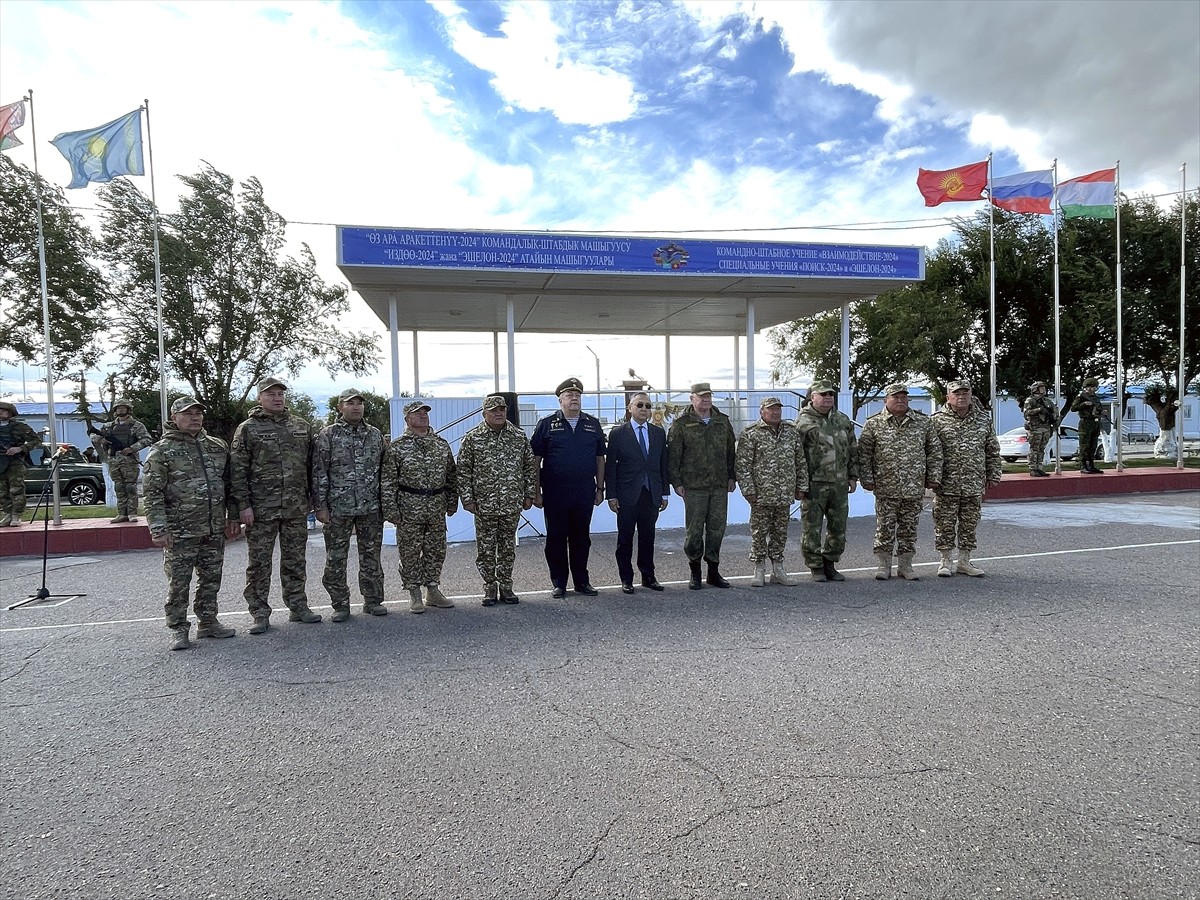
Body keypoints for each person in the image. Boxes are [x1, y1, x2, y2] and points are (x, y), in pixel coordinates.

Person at [142, 397, 241, 650]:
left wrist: (233, 517)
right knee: (179, 582)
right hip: (180, 530)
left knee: (211, 578)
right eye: (187, 414)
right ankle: (177, 628)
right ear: (174, 418)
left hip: (213, 527)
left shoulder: (216, 446)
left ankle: (208, 622)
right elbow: (152, 493)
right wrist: (159, 528)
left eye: (198, 413)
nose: (194, 418)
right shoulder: (162, 450)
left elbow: (230, 485)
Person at [230, 375, 321, 633]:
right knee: (259, 564)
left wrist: (313, 498)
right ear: (260, 397)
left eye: (280, 393)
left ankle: (297, 605)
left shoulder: (301, 426)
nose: (277, 398)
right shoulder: (248, 429)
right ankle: (259, 612)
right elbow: (238, 470)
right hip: (261, 509)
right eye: (271, 394)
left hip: (295, 506)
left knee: (295, 560)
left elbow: (312, 466)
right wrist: (243, 506)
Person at [313, 388, 388, 622]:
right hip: (338, 508)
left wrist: (386, 504)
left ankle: (373, 600)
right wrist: (320, 506)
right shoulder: (328, 435)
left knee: (371, 556)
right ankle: (340, 604)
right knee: (336, 559)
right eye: (350, 403)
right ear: (340, 407)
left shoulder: (374, 435)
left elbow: (385, 471)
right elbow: (319, 471)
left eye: (359, 403)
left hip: (370, 507)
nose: (356, 407)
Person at [457, 394, 536, 606]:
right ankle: (490, 586)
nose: (499, 413)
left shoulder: (518, 436)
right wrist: (468, 499)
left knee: (507, 548)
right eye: (493, 410)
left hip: (511, 503)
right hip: (484, 505)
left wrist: (529, 494)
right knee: (485, 549)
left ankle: (506, 586)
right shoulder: (473, 438)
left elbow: (529, 467)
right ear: (484, 413)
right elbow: (463, 471)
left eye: (502, 409)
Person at [381, 399, 459, 614]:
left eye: (425, 412)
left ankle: (433, 590)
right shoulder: (397, 446)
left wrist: (452, 501)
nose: (423, 415)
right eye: (417, 413)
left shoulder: (441, 444)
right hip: (409, 507)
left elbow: (451, 476)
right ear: (407, 419)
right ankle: (414, 592)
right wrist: (391, 510)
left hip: (436, 506)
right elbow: (388, 481)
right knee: (410, 551)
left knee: (436, 550)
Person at [531, 377, 607, 598]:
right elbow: (535, 460)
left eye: (577, 395)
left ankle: (582, 582)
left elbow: (600, 458)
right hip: (555, 491)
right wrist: (536, 492)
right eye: (569, 395)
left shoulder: (592, 424)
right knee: (555, 538)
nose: (574, 398)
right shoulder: (547, 424)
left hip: (583, 490)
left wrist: (600, 488)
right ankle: (559, 582)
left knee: (581, 538)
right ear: (560, 400)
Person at [858, 383, 942, 581]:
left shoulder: (922, 422)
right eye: (895, 397)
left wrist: (934, 476)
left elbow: (934, 450)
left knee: (909, 529)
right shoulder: (874, 423)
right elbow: (864, 454)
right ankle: (883, 565)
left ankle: (906, 565)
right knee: (884, 528)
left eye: (904, 397)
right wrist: (867, 479)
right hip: (885, 486)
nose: (900, 400)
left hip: (913, 487)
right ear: (885, 400)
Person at [930, 378, 1003, 577]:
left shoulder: (983, 420)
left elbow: (992, 450)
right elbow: (929, 451)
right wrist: (930, 477)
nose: (961, 397)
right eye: (956, 393)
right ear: (948, 397)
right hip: (946, 483)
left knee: (969, 524)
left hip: (973, 482)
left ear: (971, 396)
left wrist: (994, 474)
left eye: (965, 393)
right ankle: (945, 560)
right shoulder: (936, 420)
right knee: (944, 523)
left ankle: (964, 561)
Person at [668, 382, 736, 590]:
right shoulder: (681, 424)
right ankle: (695, 571)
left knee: (717, 529)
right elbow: (673, 456)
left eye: (708, 396)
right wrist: (677, 482)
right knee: (694, 531)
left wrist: (732, 476)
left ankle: (713, 571)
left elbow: (730, 452)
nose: (706, 400)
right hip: (694, 487)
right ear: (692, 399)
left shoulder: (722, 421)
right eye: (701, 397)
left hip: (718, 485)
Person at [735, 396, 806, 587]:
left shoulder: (791, 432)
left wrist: (801, 486)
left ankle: (778, 569)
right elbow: (743, 465)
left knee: (780, 533)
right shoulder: (751, 433)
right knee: (759, 533)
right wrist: (748, 490)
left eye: (778, 409)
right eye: (771, 409)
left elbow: (800, 461)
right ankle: (759, 568)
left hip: (784, 493)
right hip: (761, 494)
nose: (775, 412)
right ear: (762, 411)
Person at [604, 392, 669, 594]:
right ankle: (626, 578)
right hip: (627, 494)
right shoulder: (618, 433)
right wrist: (611, 495)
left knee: (648, 537)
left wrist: (664, 493)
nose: (644, 409)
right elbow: (610, 467)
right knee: (625, 538)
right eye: (640, 405)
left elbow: (663, 464)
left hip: (651, 493)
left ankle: (648, 576)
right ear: (630, 408)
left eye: (648, 406)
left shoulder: (658, 433)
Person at [795, 381, 859, 582]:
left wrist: (852, 476)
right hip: (814, 483)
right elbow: (796, 455)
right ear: (812, 397)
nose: (828, 397)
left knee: (838, 526)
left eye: (830, 394)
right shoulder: (802, 422)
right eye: (823, 394)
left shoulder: (842, 419)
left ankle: (830, 562)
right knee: (812, 527)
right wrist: (800, 483)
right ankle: (815, 566)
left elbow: (852, 448)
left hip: (839, 483)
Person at [90, 398, 153, 523]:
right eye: (118, 408)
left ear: (128, 409)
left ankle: (132, 513)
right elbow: (93, 436)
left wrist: (132, 448)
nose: (120, 410)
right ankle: (121, 514)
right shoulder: (109, 426)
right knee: (119, 488)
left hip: (130, 461)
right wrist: (101, 440)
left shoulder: (136, 426)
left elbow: (147, 439)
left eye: (123, 408)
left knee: (130, 488)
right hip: (114, 461)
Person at [0, 400, 42, 527]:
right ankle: (7, 514)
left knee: (16, 490)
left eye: (3, 410)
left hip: (15, 463)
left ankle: (16, 515)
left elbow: (36, 440)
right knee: (2, 491)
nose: (0, 413)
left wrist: (20, 448)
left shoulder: (20, 427)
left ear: (10, 413)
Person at [1022, 381, 1057, 477]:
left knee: (1042, 449)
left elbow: (1054, 412)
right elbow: (1026, 413)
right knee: (1034, 449)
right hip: (1035, 428)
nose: (1044, 389)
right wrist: (1039, 410)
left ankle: (1039, 468)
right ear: (1035, 389)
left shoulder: (1047, 401)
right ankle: (1033, 468)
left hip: (1045, 427)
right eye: (1042, 388)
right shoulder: (1031, 400)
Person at [1071, 377, 1106, 474]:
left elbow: (1098, 408)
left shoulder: (1096, 398)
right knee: (1084, 446)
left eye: (1092, 387)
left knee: (1093, 445)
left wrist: (1102, 412)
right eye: (1088, 387)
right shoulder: (1081, 397)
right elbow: (1073, 408)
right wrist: (1084, 404)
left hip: (1095, 422)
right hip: (1085, 423)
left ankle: (1091, 465)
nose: (1090, 389)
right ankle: (1083, 465)